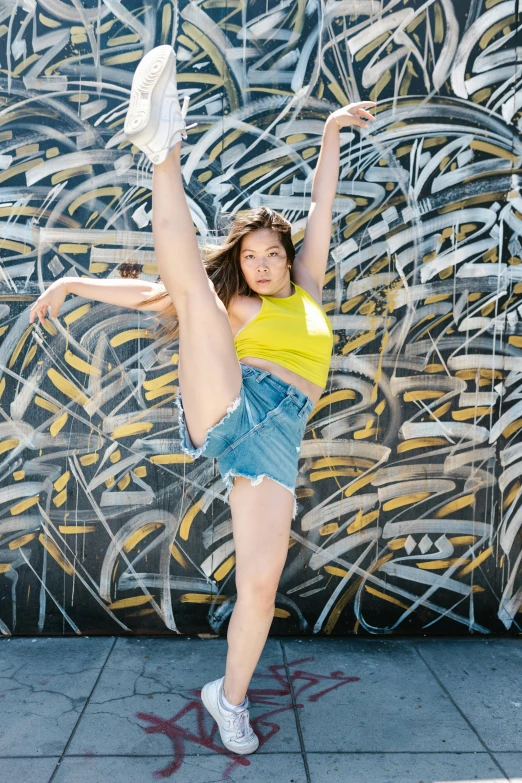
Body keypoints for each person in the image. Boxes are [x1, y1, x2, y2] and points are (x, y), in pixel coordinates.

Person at [29, 44, 375, 756]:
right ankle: (164, 151)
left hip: (278, 442)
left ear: (287, 254)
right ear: (242, 262)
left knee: (259, 587)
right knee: (197, 298)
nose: (261, 264)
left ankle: (231, 697)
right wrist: (72, 287)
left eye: (271, 253)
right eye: (249, 256)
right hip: (231, 405)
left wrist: (332, 131)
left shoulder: (306, 286)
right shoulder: (236, 302)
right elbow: (156, 292)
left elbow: (320, 201)